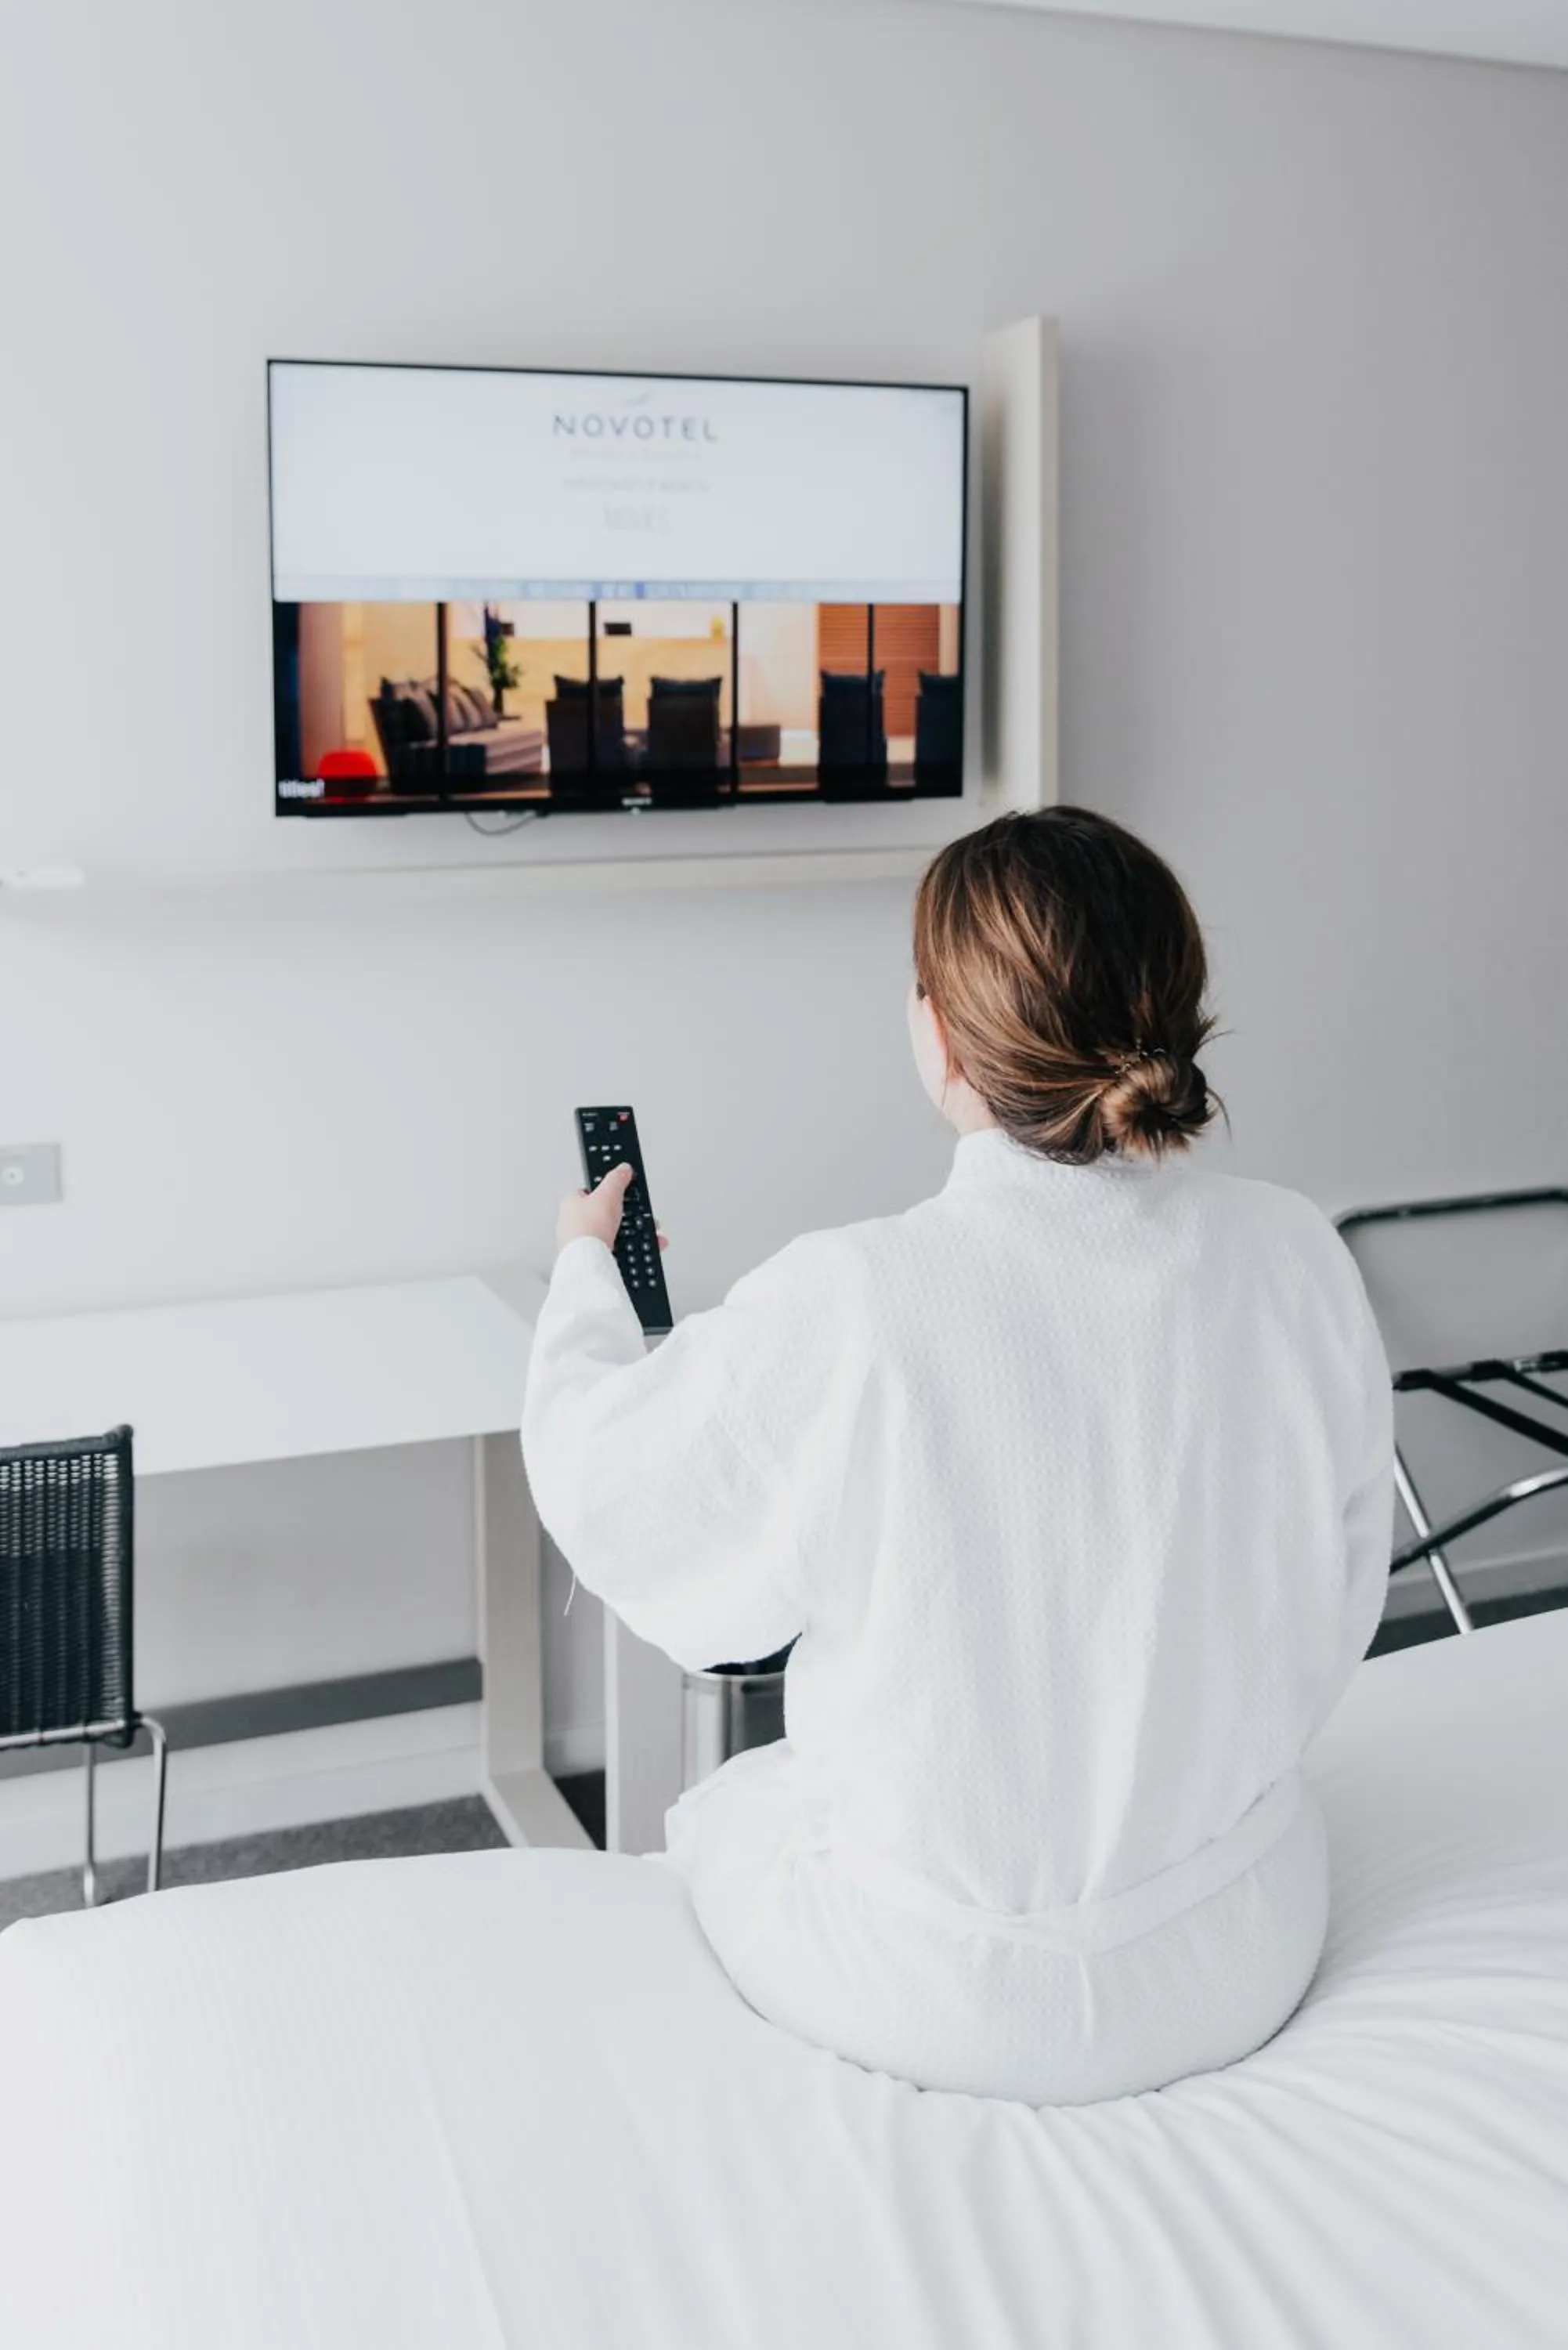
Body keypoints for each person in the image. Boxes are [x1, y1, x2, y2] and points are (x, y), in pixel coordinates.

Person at [522, 808, 1393, 2105]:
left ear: (938, 1037)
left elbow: (618, 1494)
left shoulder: (852, 1303)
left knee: (729, 1815)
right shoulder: (1295, 1253)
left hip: (942, 1994)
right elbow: (1336, 1599)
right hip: (1238, 1940)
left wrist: (584, 1270)